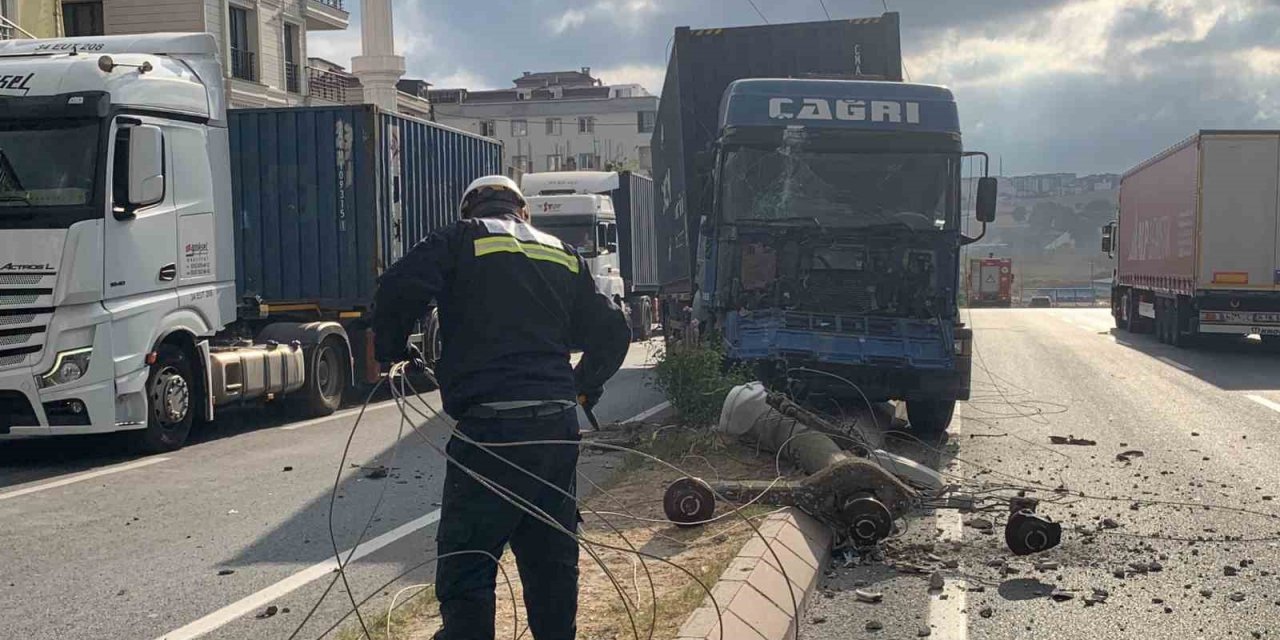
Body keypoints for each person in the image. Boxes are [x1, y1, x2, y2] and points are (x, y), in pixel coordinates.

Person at [371, 175, 631, 640]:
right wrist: (579, 386)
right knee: (551, 560)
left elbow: (395, 287)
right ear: (523, 211)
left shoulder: (459, 239)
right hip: (554, 433)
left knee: (468, 564)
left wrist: (391, 350)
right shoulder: (561, 252)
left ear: (470, 209)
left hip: (489, 432)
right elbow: (614, 331)